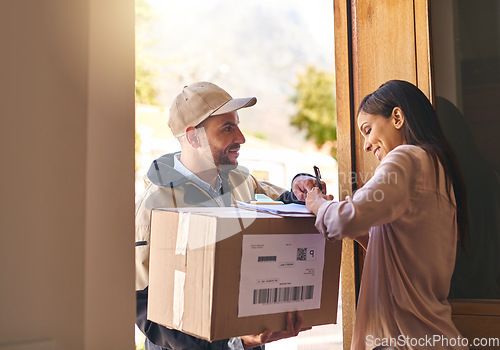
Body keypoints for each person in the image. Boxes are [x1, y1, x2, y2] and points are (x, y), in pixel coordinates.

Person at [136, 82, 319, 350]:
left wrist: (301, 185)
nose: (242, 138)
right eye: (227, 128)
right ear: (193, 137)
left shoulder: (238, 178)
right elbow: (143, 304)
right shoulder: (155, 206)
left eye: (237, 125)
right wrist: (230, 343)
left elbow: (284, 199)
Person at [305, 80, 469, 350]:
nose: (367, 145)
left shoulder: (405, 158)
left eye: (367, 130)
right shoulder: (439, 169)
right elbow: (409, 252)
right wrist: (363, 235)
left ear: (397, 117)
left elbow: (344, 218)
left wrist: (317, 204)